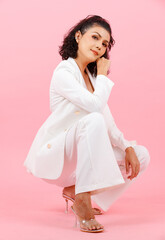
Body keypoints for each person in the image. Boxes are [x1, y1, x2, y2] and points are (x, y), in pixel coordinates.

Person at [23, 15, 150, 233]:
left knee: (141, 155)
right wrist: (102, 75)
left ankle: (79, 190)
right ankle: (83, 202)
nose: (100, 46)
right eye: (95, 37)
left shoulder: (92, 79)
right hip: (60, 156)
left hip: (83, 162)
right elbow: (94, 108)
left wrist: (127, 147)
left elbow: (107, 123)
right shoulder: (64, 71)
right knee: (93, 119)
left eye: (104, 44)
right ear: (78, 36)